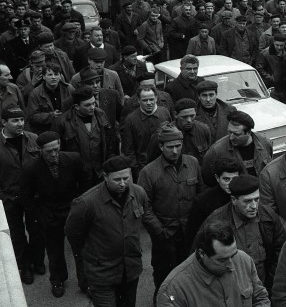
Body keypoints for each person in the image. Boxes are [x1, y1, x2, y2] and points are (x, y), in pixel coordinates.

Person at [65, 156, 150, 307]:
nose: (122, 183)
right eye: (117, 180)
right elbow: (73, 233)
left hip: (130, 270)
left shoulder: (139, 193)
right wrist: (90, 255)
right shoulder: (86, 202)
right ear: (105, 177)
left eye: (126, 178)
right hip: (102, 273)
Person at [138, 122, 205, 298]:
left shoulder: (193, 163)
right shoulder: (148, 172)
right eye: (170, 147)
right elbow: (144, 207)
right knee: (163, 273)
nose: (175, 151)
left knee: (190, 271)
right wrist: (160, 231)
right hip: (164, 233)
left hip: (189, 231)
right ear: (161, 147)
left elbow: (200, 196)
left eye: (178, 146)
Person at [195, 174, 286, 291]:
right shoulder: (215, 222)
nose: (254, 206)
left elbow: (280, 252)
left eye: (257, 199)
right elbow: (200, 260)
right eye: (247, 201)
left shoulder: (268, 217)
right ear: (234, 200)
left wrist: (270, 286)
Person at [21, 131, 88, 297]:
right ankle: (57, 280)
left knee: (82, 249)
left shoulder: (73, 159)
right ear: (40, 150)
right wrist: (39, 216)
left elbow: (85, 183)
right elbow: (26, 196)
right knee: (54, 251)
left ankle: (86, 282)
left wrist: (80, 206)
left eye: (56, 149)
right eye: (49, 151)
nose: (53, 154)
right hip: (49, 215)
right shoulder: (31, 168)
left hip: (73, 211)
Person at [157, 220, 270, 307]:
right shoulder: (173, 290)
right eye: (222, 260)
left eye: (233, 255)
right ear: (202, 253)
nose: (231, 265)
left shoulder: (244, 260)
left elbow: (260, 298)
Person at [0, 105, 46, 284]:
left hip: (33, 196)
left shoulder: (33, 139)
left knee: (37, 230)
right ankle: (24, 266)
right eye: (15, 121)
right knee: (16, 233)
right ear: (4, 122)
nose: (20, 124)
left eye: (21, 119)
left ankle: (38, 261)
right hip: (9, 197)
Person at [51, 86, 119, 187]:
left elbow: (110, 142)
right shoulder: (62, 123)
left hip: (100, 172)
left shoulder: (101, 115)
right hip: (78, 176)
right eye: (88, 105)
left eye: (93, 103)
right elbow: (59, 153)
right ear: (77, 106)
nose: (92, 107)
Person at [184, 158, 245, 248]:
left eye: (234, 179)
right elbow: (192, 235)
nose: (231, 183)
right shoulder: (203, 201)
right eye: (226, 179)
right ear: (217, 178)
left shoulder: (245, 196)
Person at [201, 110, 273, 184]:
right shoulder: (216, 151)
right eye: (229, 132)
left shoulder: (265, 142)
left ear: (248, 132)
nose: (231, 137)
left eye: (237, 134)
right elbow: (208, 180)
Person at [121, 86, 172, 181]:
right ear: (138, 101)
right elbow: (128, 150)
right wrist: (137, 171)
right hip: (142, 167)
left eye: (151, 99)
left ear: (156, 98)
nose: (148, 103)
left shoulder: (164, 113)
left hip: (166, 165)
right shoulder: (131, 120)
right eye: (145, 100)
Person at [146, 98, 212, 165]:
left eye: (192, 116)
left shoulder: (203, 130)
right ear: (175, 115)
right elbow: (151, 162)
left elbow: (208, 157)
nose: (189, 120)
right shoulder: (164, 133)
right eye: (184, 117)